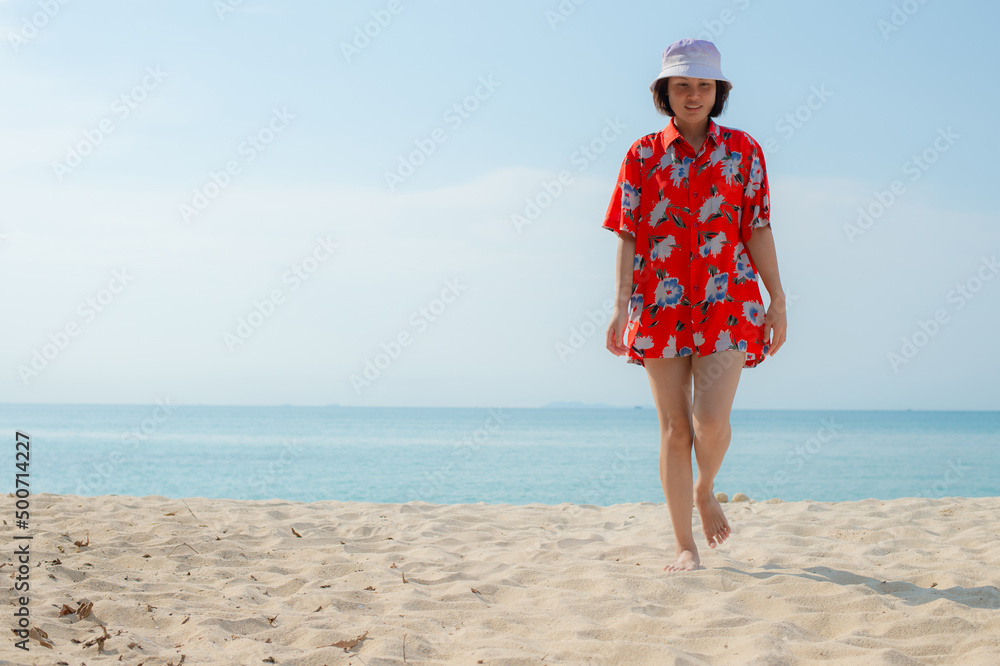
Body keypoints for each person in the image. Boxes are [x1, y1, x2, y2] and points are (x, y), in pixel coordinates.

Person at [601, 38, 787, 572]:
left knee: (710, 424)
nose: (693, 95)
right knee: (675, 428)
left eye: (703, 85)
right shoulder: (640, 154)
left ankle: (706, 488)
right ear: (665, 90)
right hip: (658, 306)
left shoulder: (745, 151)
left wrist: (778, 299)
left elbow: (757, 227)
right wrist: (619, 307)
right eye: (682, 84)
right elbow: (628, 235)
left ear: (718, 92)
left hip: (728, 302)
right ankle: (684, 545)